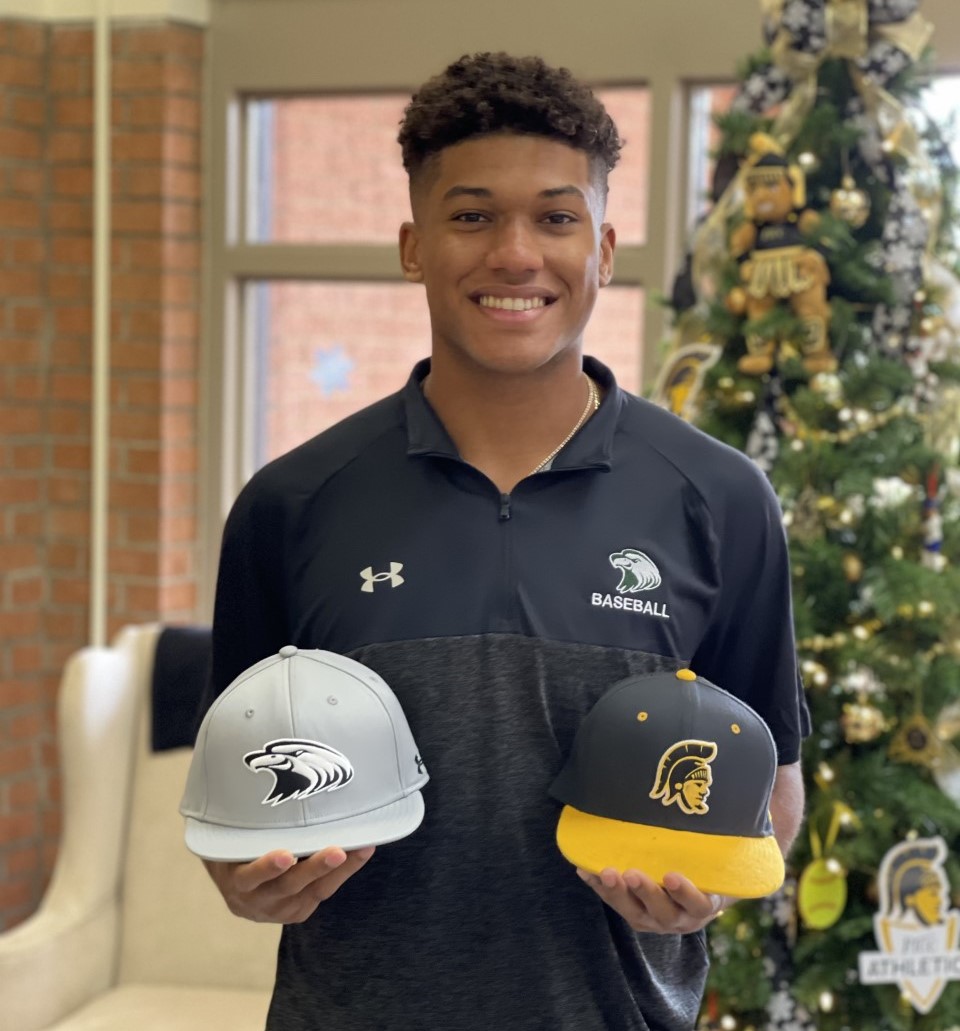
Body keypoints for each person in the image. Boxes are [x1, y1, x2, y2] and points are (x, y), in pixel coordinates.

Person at [199, 52, 809, 1031]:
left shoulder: (722, 498)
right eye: (473, 215)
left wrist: (717, 886)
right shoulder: (292, 502)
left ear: (605, 247)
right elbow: (238, 786)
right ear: (413, 244)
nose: (516, 254)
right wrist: (241, 875)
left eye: (557, 217)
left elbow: (772, 793)